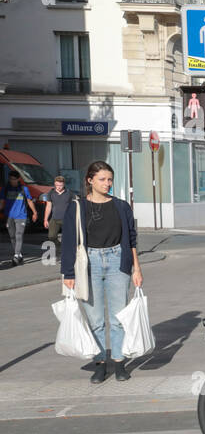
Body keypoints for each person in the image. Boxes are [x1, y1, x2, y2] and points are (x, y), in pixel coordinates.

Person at [60, 161, 143, 383]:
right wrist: (68, 274)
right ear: (90, 180)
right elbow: (68, 241)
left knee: (118, 318)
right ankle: (100, 363)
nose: (107, 184)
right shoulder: (77, 207)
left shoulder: (122, 206)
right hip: (89, 264)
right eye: (102, 179)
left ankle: (119, 362)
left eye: (110, 180)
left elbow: (132, 239)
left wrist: (137, 268)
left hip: (118, 261)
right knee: (96, 321)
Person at [5, 170, 38, 265]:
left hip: (21, 215)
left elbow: (29, 201)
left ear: (18, 179)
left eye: (14, 179)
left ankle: (16, 255)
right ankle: (19, 254)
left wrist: (34, 212)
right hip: (9, 216)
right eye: (10, 179)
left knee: (19, 234)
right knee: (12, 236)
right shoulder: (6, 189)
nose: (12, 181)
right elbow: (2, 202)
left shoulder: (24, 189)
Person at [42, 174, 77, 258]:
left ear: (64, 184)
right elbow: (48, 206)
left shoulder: (69, 193)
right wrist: (45, 219)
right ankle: (60, 247)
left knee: (68, 238)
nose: (58, 187)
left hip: (67, 219)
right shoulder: (51, 193)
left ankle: (67, 254)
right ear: (54, 184)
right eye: (57, 185)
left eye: (60, 185)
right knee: (51, 236)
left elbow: (77, 203)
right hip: (55, 218)